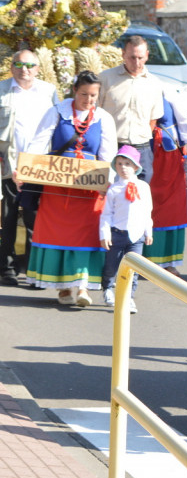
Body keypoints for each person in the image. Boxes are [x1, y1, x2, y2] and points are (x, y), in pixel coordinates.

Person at [23, 71, 117, 305]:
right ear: (75, 90)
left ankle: (83, 286)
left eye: (94, 96)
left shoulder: (104, 118)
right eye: (84, 94)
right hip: (58, 186)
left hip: (89, 188)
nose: (89, 100)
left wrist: (110, 180)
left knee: (87, 236)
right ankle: (63, 288)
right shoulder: (57, 112)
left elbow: (108, 154)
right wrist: (24, 169)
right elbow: (39, 142)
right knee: (59, 235)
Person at [0, 49, 58, 285]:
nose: (24, 70)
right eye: (19, 64)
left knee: (36, 218)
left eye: (29, 65)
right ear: (12, 66)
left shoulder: (48, 91)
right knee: (9, 217)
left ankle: (33, 268)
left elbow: (57, 127)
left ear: (37, 68)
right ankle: (7, 267)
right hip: (9, 163)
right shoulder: (2, 90)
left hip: (39, 165)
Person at [143, 92, 187, 276]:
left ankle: (169, 262)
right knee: (142, 206)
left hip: (168, 158)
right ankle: (140, 259)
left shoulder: (166, 92)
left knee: (171, 210)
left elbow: (185, 121)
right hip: (140, 154)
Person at [98, 35, 164, 181]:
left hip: (141, 149)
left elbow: (154, 118)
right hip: (113, 146)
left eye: (140, 58)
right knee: (111, 194)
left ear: (147, 55)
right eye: (132, 57)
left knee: (139, 195)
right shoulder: (106, 79)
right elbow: (96, 113)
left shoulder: (154, 83)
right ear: (123, 55)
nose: (136, 62)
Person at [99, 146, 153, 313]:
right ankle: (108, 288)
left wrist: (148, 231)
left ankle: (129, 297)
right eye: (120, 164)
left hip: (137, 236)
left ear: (136, 167)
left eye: (127, 164)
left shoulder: (144, 187)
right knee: (111, 266)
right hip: (117, 234)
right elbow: (106, 214)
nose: (123, 167)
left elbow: (147, 211)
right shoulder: (114, 189)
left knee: (134, 268)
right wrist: (105, 234)